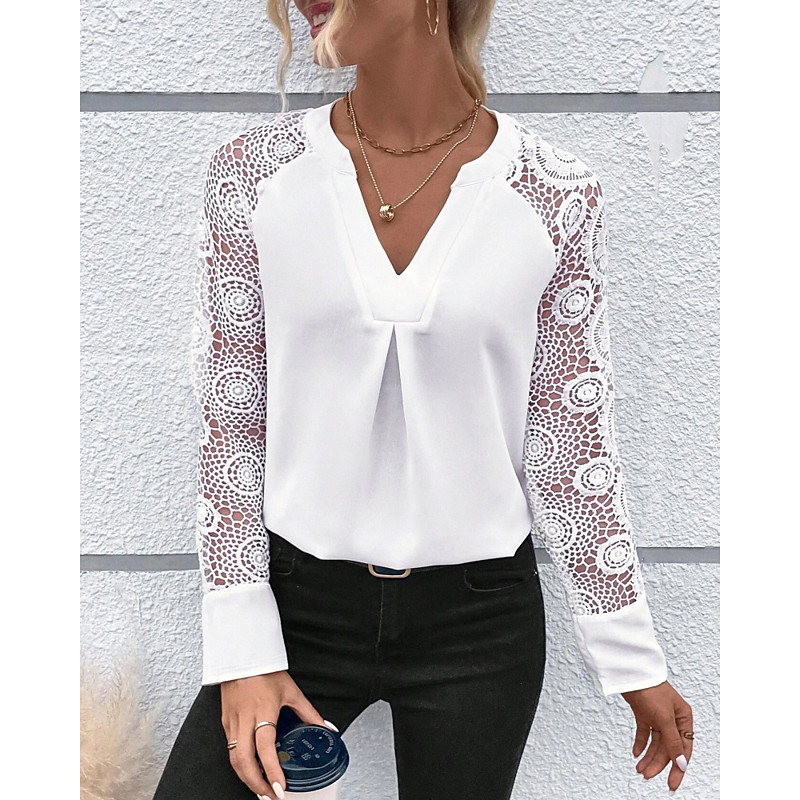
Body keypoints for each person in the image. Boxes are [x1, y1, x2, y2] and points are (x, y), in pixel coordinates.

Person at [152, 2, 694, 799]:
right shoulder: (254, 175)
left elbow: (569, 441)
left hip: (479, 625)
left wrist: (630, 655)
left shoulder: (555, 195)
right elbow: (231, 424)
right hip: (298, 604)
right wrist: (243, 649)